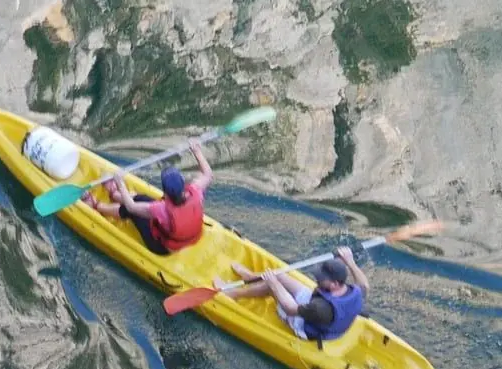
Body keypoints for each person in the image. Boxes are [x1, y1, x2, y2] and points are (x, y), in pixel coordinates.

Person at [82, 138, 213, 254]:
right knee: (141, 198)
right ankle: (115, 195)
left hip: (161, 247)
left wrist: (120, 183)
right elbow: (208, 174)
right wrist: (197, 151)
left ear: (165, 192)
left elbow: (131, 207)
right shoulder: (196, 192)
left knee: (130, 211)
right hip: (184, 238)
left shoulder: (160, 209)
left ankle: (97, 205)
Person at [223, 245, 367, 345]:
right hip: (314, 307)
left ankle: (233, 293)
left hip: (305, 326)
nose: (318, 279)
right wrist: (351, 262)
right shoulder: (354, 291)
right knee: (280, 274)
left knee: (271, 286)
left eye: (322, 278)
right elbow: (365, 285)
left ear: (335, 284)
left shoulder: (321, 308)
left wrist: (274, 284)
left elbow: (290, 308)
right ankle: (250, 277)